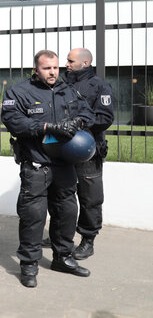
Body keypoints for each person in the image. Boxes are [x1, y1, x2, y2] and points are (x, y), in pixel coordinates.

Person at [2, 49, 94, 288]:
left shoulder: (68, 90)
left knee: (66, 213)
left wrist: (78, 122)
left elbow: (88, 112)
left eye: (55, 68)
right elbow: (14, 121)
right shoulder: (19, 91)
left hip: (64, 165)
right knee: (33, 216)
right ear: (36, 69)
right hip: (36, 164)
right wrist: (46, 127)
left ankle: (63, 257)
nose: (53, 72)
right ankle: (29, 264)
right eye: (46, 68)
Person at [64, 48, 114, 260]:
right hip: (63, 148)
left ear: (85, 63)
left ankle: (87, 239)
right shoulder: (62, 84)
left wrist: (80, 122)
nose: (66, 64)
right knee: (62, 194)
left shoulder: (99, 86)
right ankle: (62, 234)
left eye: (70, 61)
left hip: (88, 150)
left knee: (90, 196)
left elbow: (105, 117)